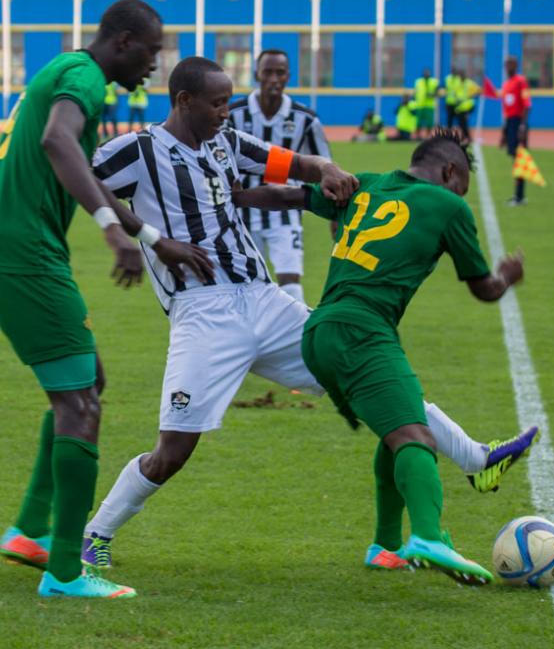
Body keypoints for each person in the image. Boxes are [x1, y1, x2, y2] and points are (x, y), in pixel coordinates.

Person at [79, 59, 528, 574]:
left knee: (371, 374)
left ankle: (476, 458)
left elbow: (291, 163)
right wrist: (151, 238)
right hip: (202, 313)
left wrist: (326, 169)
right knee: (174, 450)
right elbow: (82, 180)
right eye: (218, 103)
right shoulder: (138, 149)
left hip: (264, 299)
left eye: (228, 102)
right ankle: (95, 534)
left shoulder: (225, 141)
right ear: (183, 101)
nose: (226, 112)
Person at [0, 0, 214, 600]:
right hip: (25, 253)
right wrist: (110, 230)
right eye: (151, 52)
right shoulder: (84, 78)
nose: (154, 66)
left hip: (11, 246)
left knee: (87, 383)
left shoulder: (66, 70)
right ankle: (65, 573)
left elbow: (83, 171)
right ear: (124, 42)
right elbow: (58, 142)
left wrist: (151, 237)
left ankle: (31, 531)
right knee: (80, 407)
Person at [234, 129, 538, 585]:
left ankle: (387, 546)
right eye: (462, 185)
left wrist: (234, 196)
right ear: (450, 171)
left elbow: (290, 197)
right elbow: (483, 289)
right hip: (362, 330)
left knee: (395, 427)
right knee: (416, 437)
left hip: (318, 330)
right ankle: (430, 537)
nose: (460, 196)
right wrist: (507, 276)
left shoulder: (366, 184)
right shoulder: (449, 206)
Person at [228, 49, 331, 304]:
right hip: (242, 210)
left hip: (287, 209)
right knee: (244, 283)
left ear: (288, 77)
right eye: (268, 72)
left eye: (280, 73)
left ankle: (298, 329)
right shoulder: (233, 114)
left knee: (290, 279)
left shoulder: (305, 119)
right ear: (257, 75)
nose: (274, 79)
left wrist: (333, 213)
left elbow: (324, 166)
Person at [500, 56, 532, 206]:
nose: (508, 68)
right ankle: (518, 195)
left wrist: (522, 126)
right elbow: (506, 109)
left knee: (520, 159)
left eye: (511, 65)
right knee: (514, 159)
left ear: (516, 66)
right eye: (506, 65)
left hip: (518, 123)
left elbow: (527, 105)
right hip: (510, 123)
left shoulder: (521, 82)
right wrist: (504, 133)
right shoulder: (506, 84)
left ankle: (520, 196)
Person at [453, 68, 480, 142]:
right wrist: (456, 99)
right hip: (460, 107)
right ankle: (465, 136)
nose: (461, 77)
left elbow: (478, 90)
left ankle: (468, 137)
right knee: (461, 124)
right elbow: (455, 93)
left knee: (464, 123)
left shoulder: (469, 83)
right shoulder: (457, 83)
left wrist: (472, 95)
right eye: (460, 75)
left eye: (462, 75)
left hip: (468, 106)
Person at [413, 67, 439, 139]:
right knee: (418, 122)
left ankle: (428, 136)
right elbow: (415, 93)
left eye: (427, 73)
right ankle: (417, 136)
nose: (426, 74)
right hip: (420, 105)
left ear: (430, 73)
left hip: (429, 106)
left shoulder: (434, 82)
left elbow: (437, 93)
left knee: (429, 123)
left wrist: (432, 94)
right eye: (425, 72)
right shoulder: (418, 81)